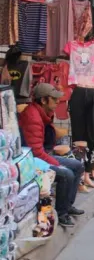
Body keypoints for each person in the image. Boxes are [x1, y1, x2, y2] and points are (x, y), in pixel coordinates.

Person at [18, 84, 86, 228]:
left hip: (41, 154)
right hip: (32, 160)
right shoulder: (33, 117)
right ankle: (62, 214)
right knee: (66, 174)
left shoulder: (43, 113)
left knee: (77, 166)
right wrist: (56, 164)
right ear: (43, 100)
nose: (57, 102)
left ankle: (67, 206)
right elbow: (36, 152)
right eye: (54, 99)